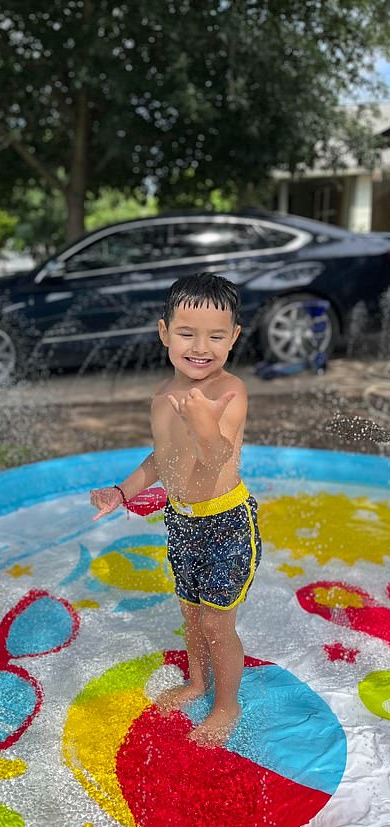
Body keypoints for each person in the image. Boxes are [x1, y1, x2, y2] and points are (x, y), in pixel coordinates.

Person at [90, 272, 262, 746]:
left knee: (215, 622)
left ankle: (227, 704)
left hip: (227, 523)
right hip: (182, 522)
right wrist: (122, 492)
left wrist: (204, 424)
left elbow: (218, 456)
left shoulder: (230, 391)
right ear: (164, 332)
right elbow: (161, 459)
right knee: (189, 614)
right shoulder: (160, 398)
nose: (200, 346)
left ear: (233, 338)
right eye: (187, 333)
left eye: (215, 335)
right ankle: (198, 682)